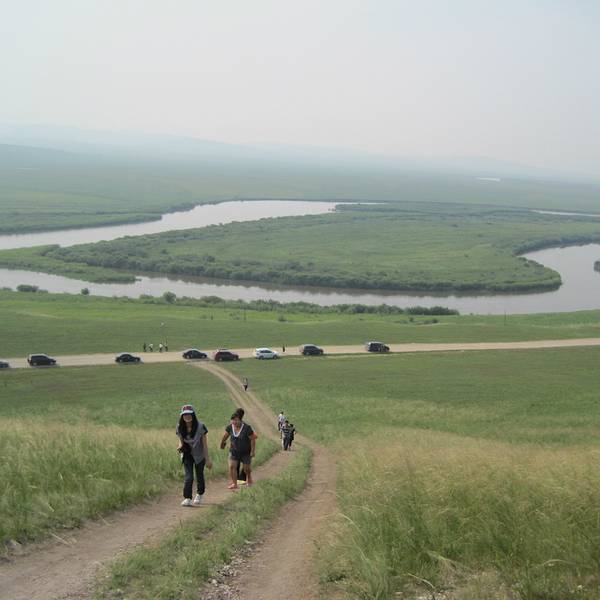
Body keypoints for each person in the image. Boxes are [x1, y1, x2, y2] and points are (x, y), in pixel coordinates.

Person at [176, 404, 212, 506]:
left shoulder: (201, 427)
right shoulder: (179, 427)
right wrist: (180, 446)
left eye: (189, 414)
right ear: (182, 416)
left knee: (199, 475)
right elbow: (180, 441)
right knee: (189, 477)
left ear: (193, 415)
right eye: (184, 415)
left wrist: (207, 459)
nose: (187, 416)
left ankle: (199, 494)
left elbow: (204, 445)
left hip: (199, 454)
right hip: (187, 454)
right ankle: (187, 498)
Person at [220, 412, 257, 490]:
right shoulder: (230, 427)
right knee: (232, 466)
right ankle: (234, 484)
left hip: (246, 452)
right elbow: (225, 436)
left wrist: (253, 451)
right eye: (233, 420)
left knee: (246, 468)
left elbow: (253, 439)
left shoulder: (247, 428)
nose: (234, 422)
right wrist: (222, 443)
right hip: (234, 451)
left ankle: (249, 477)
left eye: (236, 420)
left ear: (241, 420)